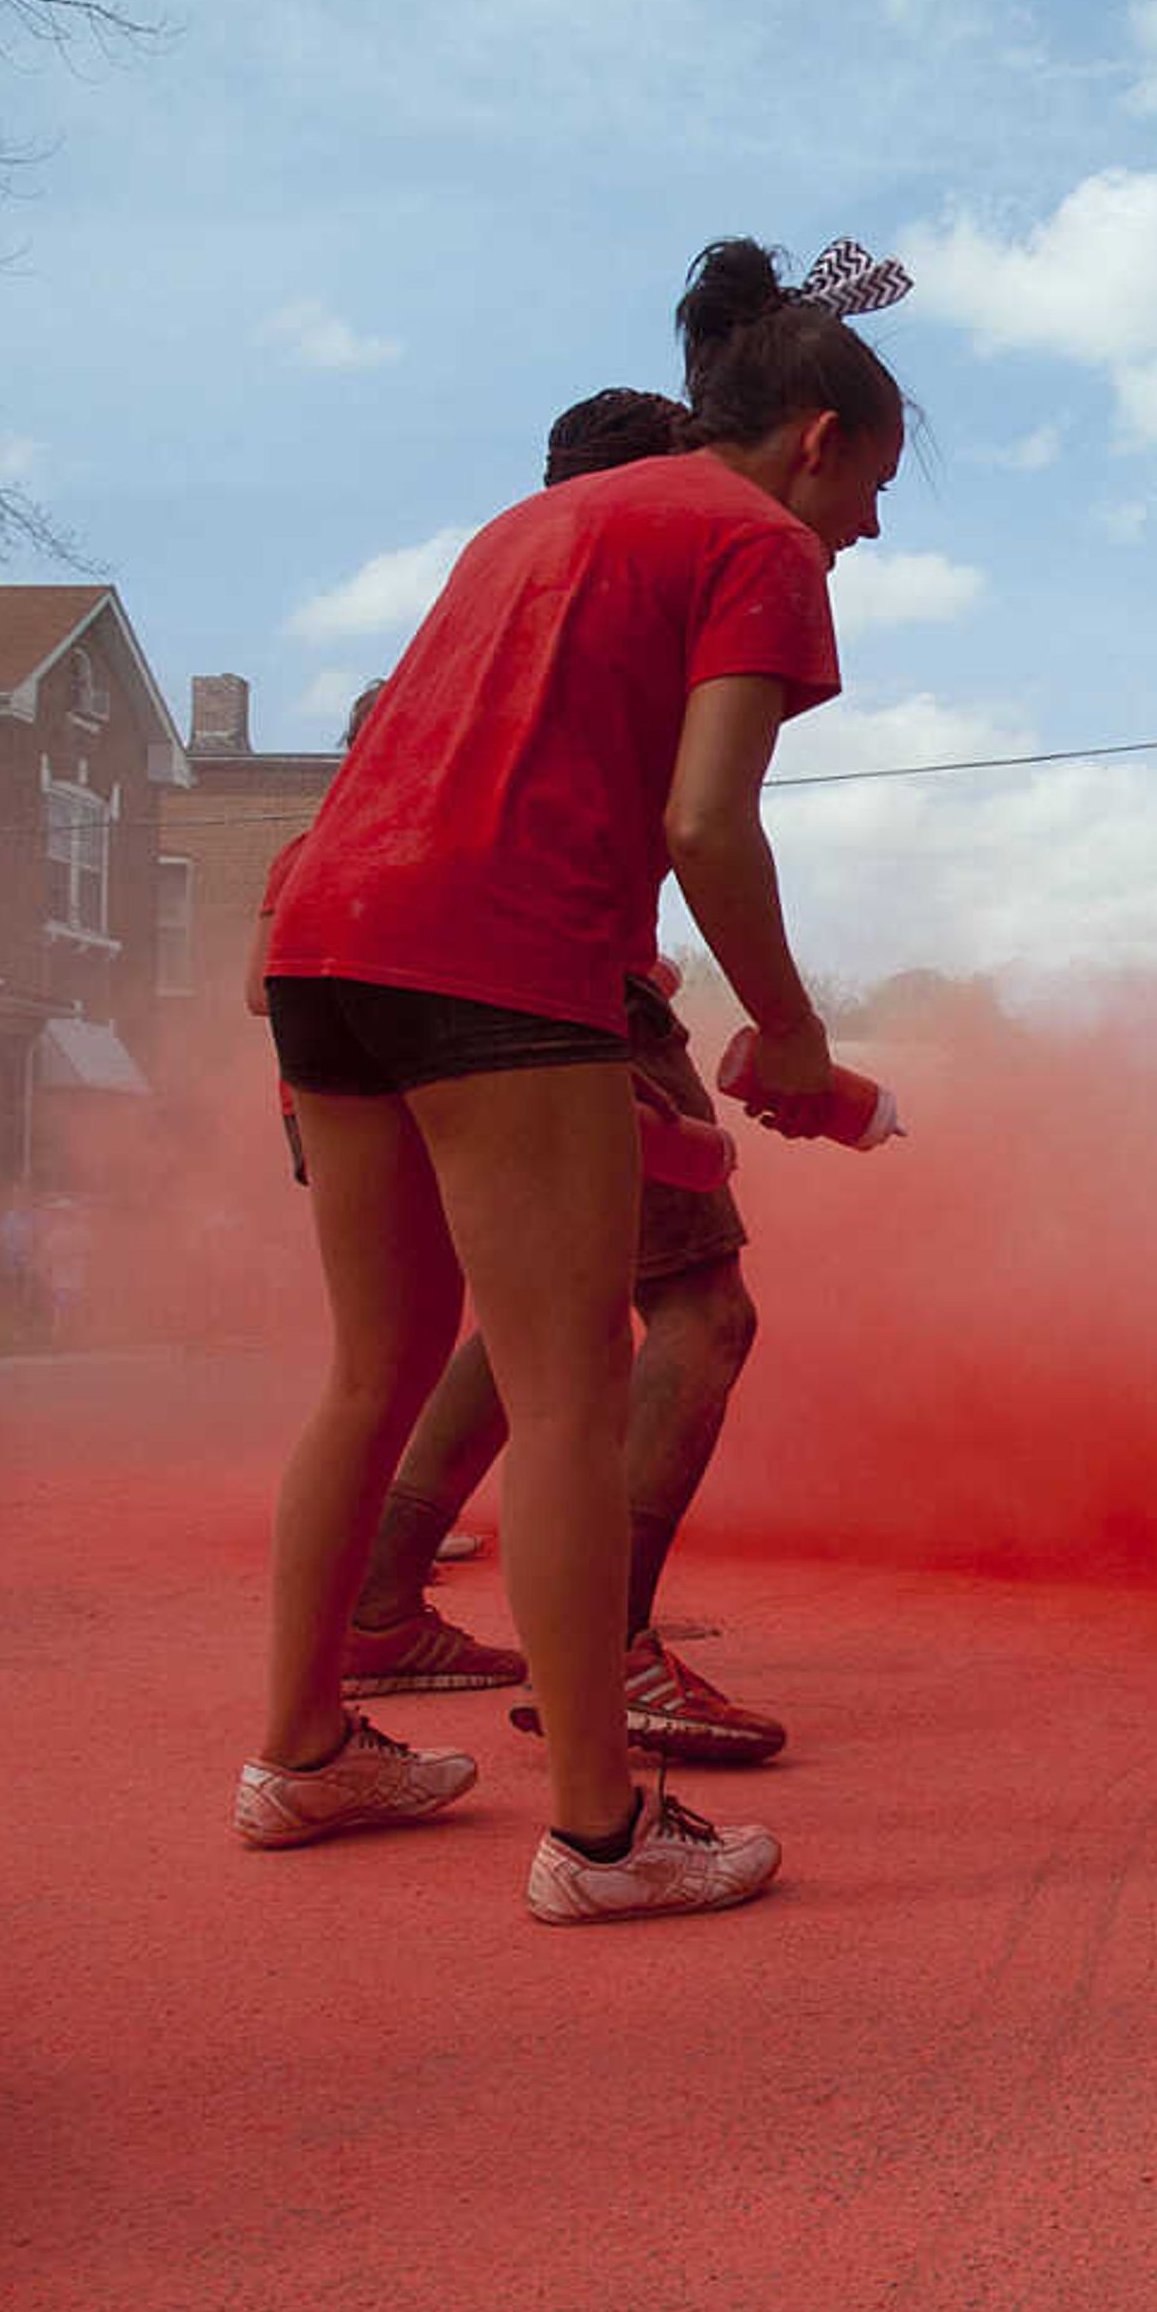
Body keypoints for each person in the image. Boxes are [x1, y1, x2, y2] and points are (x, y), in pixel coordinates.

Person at [241, 234, 904, 1924]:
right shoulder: (755, 539)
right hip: (493, 957)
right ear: (816, 436)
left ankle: (305, 1752)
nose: (870, 530)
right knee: (570, 1388)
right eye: (875, 485)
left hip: (325, 936)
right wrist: (797, 1033)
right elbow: (703, 821)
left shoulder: (533, 521)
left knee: (369, 1374)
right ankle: (602, 1833)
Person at [336, 389, 788, 1768]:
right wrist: (784, 1029)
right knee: (697, 1313)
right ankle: (616, 1656)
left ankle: (366, 1614)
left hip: (388, 984)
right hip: (554, 984)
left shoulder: (494, 590)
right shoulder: (646, 592)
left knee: (510, 1324)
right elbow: (699, 825)